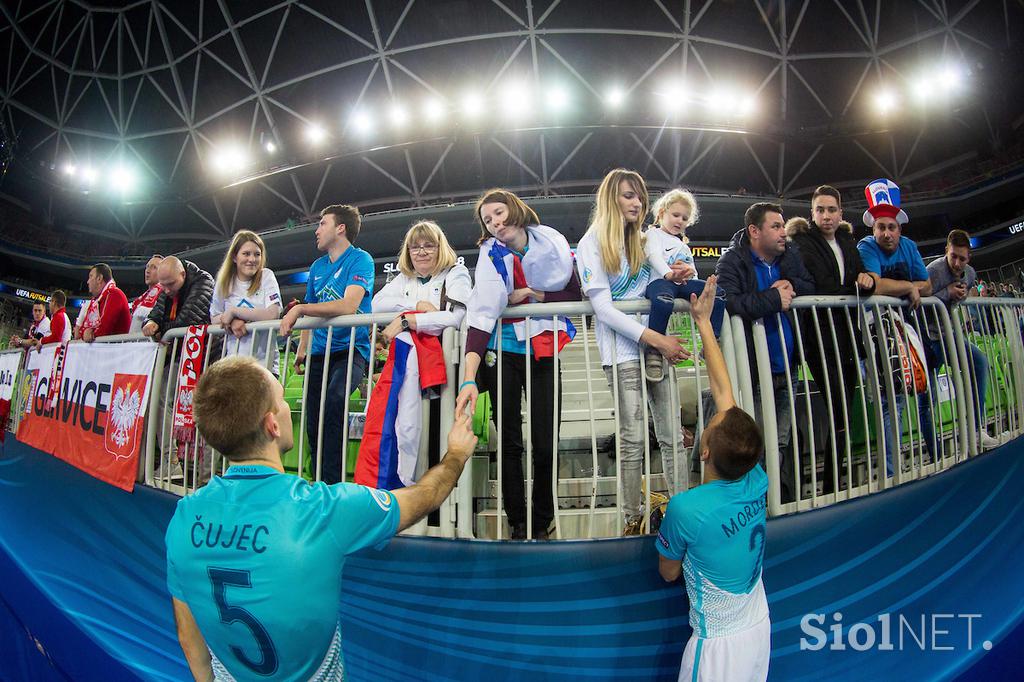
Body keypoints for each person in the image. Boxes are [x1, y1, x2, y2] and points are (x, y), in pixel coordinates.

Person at [165, 355, 478, 682]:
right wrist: (456, 454)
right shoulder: (324, 510)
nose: (286, 407)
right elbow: (424, 497)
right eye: (282, 400)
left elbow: (190, 639)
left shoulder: (185, 517)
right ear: (272, 424)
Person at [657, 275, 771, 682]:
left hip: (718, 644)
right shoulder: (755, 474)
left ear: (704, 451)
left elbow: (668, 572)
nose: (719, 411)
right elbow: (725, 395)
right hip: (759, 620)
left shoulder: (686, 508)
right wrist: (703, 323)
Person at [454, 189, 580, 540]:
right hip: (501, 351)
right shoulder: (488, 254)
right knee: (508, 440)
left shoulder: (552, 243)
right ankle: (517, 520)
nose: (496, 222)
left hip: (543, 351)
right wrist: (467, 379)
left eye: (499, 212)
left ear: (515, 209)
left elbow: (575, 293)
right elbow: (481, 314)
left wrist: (534, 296)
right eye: (488, 220)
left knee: (545, 441)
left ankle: (543, 520)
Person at [575, 169, 689, 534]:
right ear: (611, 199)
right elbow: (604, 310)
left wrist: (679, 273)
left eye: (640, 196)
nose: (637, 202)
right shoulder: (592, 242)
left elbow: (664, 284)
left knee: (672, 433)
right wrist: (657, 340)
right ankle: (631, 519)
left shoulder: (647, 240)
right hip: (624, 351)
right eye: (627, 195)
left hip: (656, 346)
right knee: (632, 438)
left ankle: (683, 511)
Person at [359, 220, 471, 489]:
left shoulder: (455, 274)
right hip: (411, 367)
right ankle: (409, 494)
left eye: (428, 245)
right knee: (406, 428)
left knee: (437, 435)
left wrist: (408, 321)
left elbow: (456, 318)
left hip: (445, 368)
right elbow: (377, 304)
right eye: (415, 247)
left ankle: (439, 506)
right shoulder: (404, 279)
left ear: (440, 247)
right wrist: (415, 307)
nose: (421, 252)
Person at [715, 202, 814, 504]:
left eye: (783, 226)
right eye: (776, 226)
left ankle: (770, 503)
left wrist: (793, 284)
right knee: (752, 446)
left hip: (787, 367)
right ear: (754, 231)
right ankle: (750, 506)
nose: (784, 232)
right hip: (754, 372)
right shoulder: (731, 261)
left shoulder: (790, 254)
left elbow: (810, 284)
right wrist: (773, 298)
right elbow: (729, 302)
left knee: (779, 443)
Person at [786, 185, 875, 494]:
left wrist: (867, 280)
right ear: (812, 214)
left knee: (843, 414)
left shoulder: (848, 241)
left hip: (848, 337)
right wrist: (855, 288)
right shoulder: (802, 242)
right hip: (819, 340)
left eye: (832, 210)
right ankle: (831, 487)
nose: (826, 215)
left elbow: (862, 277)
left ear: (841, 213)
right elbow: (819, 285)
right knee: (837, 411)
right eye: (820, 210)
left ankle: (833, 485)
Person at [278, 204, 374, 485]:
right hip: (320, 354)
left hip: (351, 350)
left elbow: (349, 304)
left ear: (340, 228)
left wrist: (300, 309)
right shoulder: (317, 267)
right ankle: (318, 481)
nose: (317, 231)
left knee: (335, 400)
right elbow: (313, 311)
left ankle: (333, 484)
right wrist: (302, 349)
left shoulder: (361, 260)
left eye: (322, 224)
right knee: (313, 420)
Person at [856, 178, 935, 475]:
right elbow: (875, 285)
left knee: (918, 394)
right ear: (873, 229)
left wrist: (907, 288)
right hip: (878, 333)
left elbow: (927, 285)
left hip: (911, 332)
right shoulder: (866, 246)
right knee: (891, 401)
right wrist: (908, 287)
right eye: (881, 228)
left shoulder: (910, 246)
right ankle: (892, 472)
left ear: (900, 229)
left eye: (892, 227)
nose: (886, 233)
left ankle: (928, 455)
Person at [926, 229, 1004, 450]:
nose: (957, 263)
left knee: (978, 363)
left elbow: (964, 294)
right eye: (953, 257)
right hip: (930, 336)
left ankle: (974, 430)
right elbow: (919, 302)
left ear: (969, 257)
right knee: (926, 399)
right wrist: (946, 294)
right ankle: (938, 452)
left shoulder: (970, 273)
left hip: (950, 334)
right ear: (946, 252)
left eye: (962, 258)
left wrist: (959, 295)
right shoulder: (933, 270)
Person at [643, 188, 725, 381]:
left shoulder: (684, 246)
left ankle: (712, 342)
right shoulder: (653, 235)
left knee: (717, 293)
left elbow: (693, 273)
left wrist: (688, 272)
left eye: (685, 218)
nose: (680, 221)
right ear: (662, 213)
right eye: (676, 215)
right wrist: (669, 273)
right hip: (660, 282)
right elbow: (653, 256)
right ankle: (653, 351)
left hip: (682, 284)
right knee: (662, 300)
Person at [211, 231, 282, 375]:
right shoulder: (223, 282)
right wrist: (233, 321)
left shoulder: (266, 276)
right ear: (234, 257)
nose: (252, 259)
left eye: (257, 254)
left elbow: (272, 313)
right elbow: (215, 318)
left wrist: (235, 311)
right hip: (233, 366)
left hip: (264, 367)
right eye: (246, 253)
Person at [142, 256, 215, 340]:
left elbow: (187, 321)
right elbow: (155, 315)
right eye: (162, 285)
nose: (167, 291)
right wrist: (150, 323)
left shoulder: (203, 281)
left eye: (171, 284)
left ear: (183, 274)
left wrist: (159, 331)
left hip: (205, 348)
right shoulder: (168, 285)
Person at [79, 263, 131, 341]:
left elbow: (104, 329)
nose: (88, 281)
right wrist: (85, 333)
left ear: (99, 278)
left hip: (115, 349)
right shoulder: (95, 300)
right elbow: (81, 331)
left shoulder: (114, 294)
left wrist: (91, 333)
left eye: (91, 276)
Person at [130, 255, 164, 333]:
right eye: (147, 267)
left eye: (154, 267)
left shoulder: (165, 294)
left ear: (163, 272)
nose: (148, 271)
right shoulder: (142, 298)